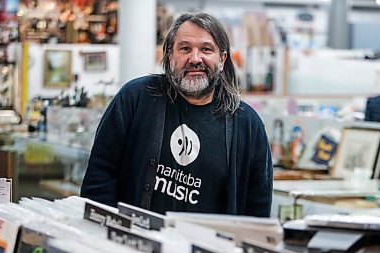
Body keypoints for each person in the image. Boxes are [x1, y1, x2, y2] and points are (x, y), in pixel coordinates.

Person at [81, 12, 273, 217]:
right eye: (185, 49)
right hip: (133, 243)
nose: (195, 58)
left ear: (222, 58)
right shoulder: (135, 98)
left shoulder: (247, 125)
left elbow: (257, 208)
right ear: (171, 56)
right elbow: (99, 178)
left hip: (206, 247)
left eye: (206, 49)